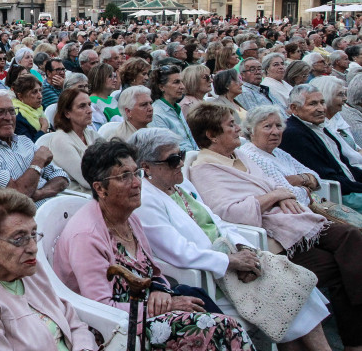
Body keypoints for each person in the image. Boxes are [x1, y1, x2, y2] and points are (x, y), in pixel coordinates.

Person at [131, 128, 331, 350]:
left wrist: (242, 248)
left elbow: (218, 222)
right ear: (146, 167)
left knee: (296, 285)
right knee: (290, 291)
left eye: (182, 155)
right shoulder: (145, 201)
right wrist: (230, 261)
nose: (180, 163)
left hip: (231, 257)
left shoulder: (180, 184)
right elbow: (179, 252)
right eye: (172, 160)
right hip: (210, 273)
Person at [186, 101, 362, 349]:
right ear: (211, 135)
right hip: (275, 239)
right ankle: (355, 343)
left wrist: (285, 194)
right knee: (348, 259)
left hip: (295, 223)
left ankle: (355, 343)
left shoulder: (242, 155)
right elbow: (229, 211)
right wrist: (275, 196)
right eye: (231, 125)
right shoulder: (205, 168)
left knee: (352, 241)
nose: (238, 129)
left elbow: (280, 184)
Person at [54, 140, 255, 351]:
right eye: (124, 176)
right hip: (117, 328)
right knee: (222, 328)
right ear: (100, 189)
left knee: (217, 321)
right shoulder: (86, 236)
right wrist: (166, 306)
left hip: (148, 308)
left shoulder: (129, 218)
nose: (136, 183)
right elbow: (103, 307)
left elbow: (151, 271)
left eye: (136, 173)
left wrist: (162, 291)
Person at [0, 188, 98, 351]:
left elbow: (71, 320)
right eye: (19, 239)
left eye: (33, 233)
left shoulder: (25, 266)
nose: (33, 247)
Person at [0, 90, 69, 207]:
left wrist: (40, 193)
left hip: (54, 208)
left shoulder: (24, 142)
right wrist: (38, 162)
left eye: (12, 111)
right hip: (24, 220)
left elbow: (61, 177)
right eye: (0, 112)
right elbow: (17, 196)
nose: (8, 117)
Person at [279, 84, 362, 211]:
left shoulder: (319, 126)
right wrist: (358, 186)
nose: (321, 108)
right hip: (340, 195)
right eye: (313, 104)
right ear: (294, 108)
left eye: (322, 102)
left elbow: (345, 166)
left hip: (351, 187)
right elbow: (325, 175)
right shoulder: (294, 133)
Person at [239, 105, 325, 206]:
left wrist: (300, 179)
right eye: (268, 126)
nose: (276, 132)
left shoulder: (279, 152)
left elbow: (317, 178)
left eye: (279, 126)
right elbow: (291, 195)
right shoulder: (254, 157)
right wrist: (306, 188)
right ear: (251, 131)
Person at [45, 88, 101, 192]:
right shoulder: (61, 140)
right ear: (67, 113)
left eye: (89, 104)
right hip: (79, 198)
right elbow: (87, 180)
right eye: (82, 106)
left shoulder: (91, 135)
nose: (89, 110)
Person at [148, 65, 198, 152]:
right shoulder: (156, 113)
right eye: (176, 82)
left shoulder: (176, 107)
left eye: (181, 82)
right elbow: (166, 147)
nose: (182, 86)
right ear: (161, 87)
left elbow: (190, 140)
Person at [11, 73, 49, 143]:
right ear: (20, 96)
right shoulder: (18, 117)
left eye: (40, 90)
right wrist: (43, 129)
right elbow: (29, 146)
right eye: (34, 92)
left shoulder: (38, 109)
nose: (40, 96)